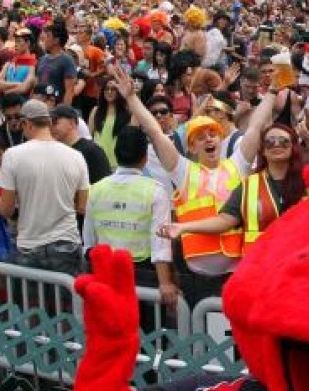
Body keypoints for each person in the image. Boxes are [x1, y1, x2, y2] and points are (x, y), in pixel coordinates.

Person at [108, 62, 277, 306]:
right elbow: (155, 132)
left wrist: (272, 92)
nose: (209, 139)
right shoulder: (184, 171)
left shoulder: (236, 165)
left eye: (213, 134)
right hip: (195, 278)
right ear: (191, 147)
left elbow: (256, 126)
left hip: (236, 275)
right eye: (201, 137)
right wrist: (132, 99)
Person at [164, 123, 306, 254]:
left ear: (293, 147)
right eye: (269, 141)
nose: (276, 144)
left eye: (284, 141)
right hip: (261, 265)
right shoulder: (248, 185)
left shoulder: (307, 181)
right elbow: (225, 220)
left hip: (301, 260)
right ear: (262, 150)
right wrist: (183, 227)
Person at [83, 126, 178, 308]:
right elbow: (160, 244)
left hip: (105, 274)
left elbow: (89, 242)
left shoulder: (96, 189)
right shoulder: (155, 191)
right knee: (147, 333)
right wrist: (165, 283)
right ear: (145, 158)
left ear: (117, 155)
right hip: (142, 276)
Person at [0, 99, 89, 275]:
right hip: (67, 242)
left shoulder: (12, 155)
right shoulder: (76, 156)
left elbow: (6, 209)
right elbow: (82, 206)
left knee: (30, 302)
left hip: (30, 244)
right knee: (67, 302)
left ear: (26, 123)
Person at [88, 78, 132, 169]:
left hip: (118, 164)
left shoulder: (127, 113)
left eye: (113, 89)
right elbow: (89, 136)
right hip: (98, 162)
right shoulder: (95, 111)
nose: (109, 92)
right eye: (106, 89)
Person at [0, 28, 37, 98]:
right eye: (15, 41)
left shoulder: (32, 64)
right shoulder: (10, 62)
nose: (16, 44)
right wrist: (16, 84)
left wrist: (6, 91)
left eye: (19, 41)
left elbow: (24, 88)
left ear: (28, 43)